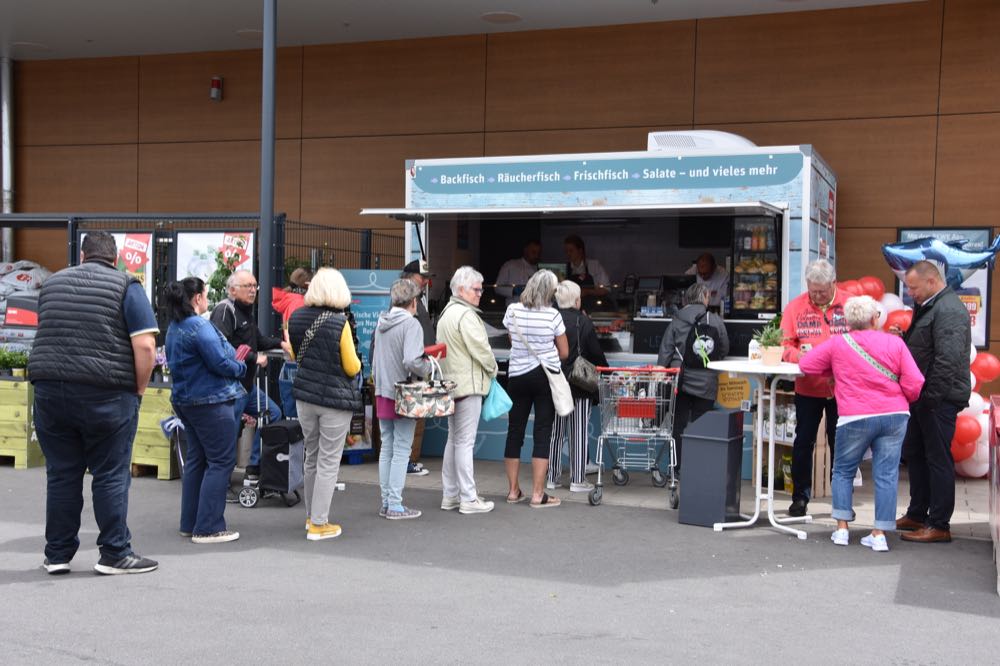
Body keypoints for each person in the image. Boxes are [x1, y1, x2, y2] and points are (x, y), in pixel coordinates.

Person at [29, 231, 159, 575]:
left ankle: (57, 554)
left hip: (50, 392)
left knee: (61, 475)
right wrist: (139, 390)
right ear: (114, 258)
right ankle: (114, 553)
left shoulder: (53, 284)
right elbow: (145, 346)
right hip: (106, 394)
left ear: (82, 256)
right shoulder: (126, 286)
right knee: (111, 474)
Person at [799, 296, 924, 551]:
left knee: (843, 470)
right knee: (886, 475)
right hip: (894, 414)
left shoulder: (838, 343)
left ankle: (842, 529)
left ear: (847, 321)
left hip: (854, 415)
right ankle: (879, 533)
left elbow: (806, 364)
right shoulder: (895, 343)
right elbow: (915, 382)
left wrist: (835, 371)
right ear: (875, 318)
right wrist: (903, 399)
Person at [893, 261, 972, 543]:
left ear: (931, 281)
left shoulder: (949, 309)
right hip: (923, 395)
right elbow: (927, 348)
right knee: (915, 452)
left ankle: (939, 523)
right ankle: (917, 512)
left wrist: (930, 399)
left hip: (938, 399)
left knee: (938, 458)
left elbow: (947, 360)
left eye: (913, 287)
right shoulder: (930, 305)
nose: (909, 292)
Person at [165, 278, 246, 544]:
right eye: (206, 295)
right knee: (221, 461)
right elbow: (222, 362)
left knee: (197, 460)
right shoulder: (200, 326)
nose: (207, 299)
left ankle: (190, 523)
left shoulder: (173, 328)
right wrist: (241, 368)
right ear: (197, 298)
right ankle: (209, 527)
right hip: (211, 401)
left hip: (185, 401)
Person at [288, 268, 362, 540]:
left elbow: (296, 355)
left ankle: (311, 516)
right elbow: (352, 366)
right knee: (329, 460)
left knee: (312, 456)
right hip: (333, 399)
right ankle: (320, 524)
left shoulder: (295, 317)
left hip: (305, 397)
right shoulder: (338, 322)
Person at [780, 259, 850, 517]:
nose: (818, 296)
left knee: (840, 442)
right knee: (803, 441)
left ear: (834, 283)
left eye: (822, 291)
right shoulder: (795, 307)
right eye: (813, 291)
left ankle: (842, 501)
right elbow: (784, 345)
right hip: (808, 386)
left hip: (842, 388)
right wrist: (803, 358)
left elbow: (864, 339)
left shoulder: (850, 303)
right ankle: (800, 498)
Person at [503, 269, 569, 508]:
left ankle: (512, 491)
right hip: (544, 378)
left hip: (517, 376)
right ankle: (538, 494)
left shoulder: (512, 310)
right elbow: (564, 352)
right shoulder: (553, 316)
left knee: (515, 431)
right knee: (542, 432)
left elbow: (512, 340)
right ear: (551, 292)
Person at [210, 269, 283, 482]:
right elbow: (222, 348)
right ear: (233, 290)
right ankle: (218, 484)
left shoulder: (247, 312)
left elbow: (258, 340)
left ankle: (253, 465)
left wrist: (281, 343)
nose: (253, 290)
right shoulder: (225, 311)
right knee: (227, 435)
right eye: (247, 286)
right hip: (231, 388)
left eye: (254, 286)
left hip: (247, 388)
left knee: (274, 414)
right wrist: (253, 357)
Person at [436, 266, 498, 514]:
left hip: (450, 385)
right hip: (468, 385)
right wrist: (493, 369)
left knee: (453, 441)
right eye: (475, 289)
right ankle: (469, 498)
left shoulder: (445, 314)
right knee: (464, 443)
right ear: (461, 289)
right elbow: (482, 351)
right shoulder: (466, 316)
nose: (480, 293)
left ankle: (450, 495)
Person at [373, 279, 433, 520]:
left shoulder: (382, 322)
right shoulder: (411, 325)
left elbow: (377, 359)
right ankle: (395, 505)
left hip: (383, 390)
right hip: (404, 393)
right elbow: (411, 361)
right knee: (401, 450)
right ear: (414, 301)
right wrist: (427, 366)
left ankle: (387, 501)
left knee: (387, 447)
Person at [656, 282, 729, 475]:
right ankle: (698, 470)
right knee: (701, 427)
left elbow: (665, 352)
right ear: (705, 298)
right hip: (707, 383)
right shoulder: (715, 320)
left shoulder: (677, 319)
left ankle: (677, 468)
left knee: (678, 425)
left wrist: (661, 373)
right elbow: (723, 348)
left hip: (681, 381)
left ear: (687, 299)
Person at [547, 280, 608, 492]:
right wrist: (608, 371)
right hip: (579, 382)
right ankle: (577, 480)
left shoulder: (551, 317)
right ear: (576, 299)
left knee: (555, 431)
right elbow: (596, 353)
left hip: (555, 381)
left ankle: (552, 478)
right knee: (578, 431)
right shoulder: (583, 321)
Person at [400, 259, 435, 477]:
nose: (425, 281)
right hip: (413, 369)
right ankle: (407, 461)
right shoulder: (405, 301)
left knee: (416, 419)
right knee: (410, 419)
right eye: (422, 277)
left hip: (419, 365)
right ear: (410, 277)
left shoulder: (415, 299)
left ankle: (409, 460)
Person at [564, 234, 610, 302]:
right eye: (566, 251)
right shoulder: (565, 268)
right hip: (571, 308)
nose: (568, 254)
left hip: (592, 307)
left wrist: (588, 291)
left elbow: (606, 289)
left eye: (571, 251)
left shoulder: (594, 266)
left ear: (580, 250)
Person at [495, 239, 541, 304]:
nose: (536, 256)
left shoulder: (539, 270)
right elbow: (497, 288)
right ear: (525, 250)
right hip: (513, 309)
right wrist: (513, 291)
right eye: (533, 252)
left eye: (538, 253)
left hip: (533, 308)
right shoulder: (510, 265)